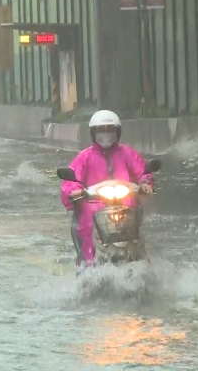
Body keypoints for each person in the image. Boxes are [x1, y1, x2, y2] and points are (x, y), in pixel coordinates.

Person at [59, 110, 155, 267]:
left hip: (125, 205)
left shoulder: (127, 153)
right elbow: (73, 179)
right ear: (93, 133)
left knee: (136, 215)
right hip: (93, 208)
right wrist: (74, 192)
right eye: (101, 130)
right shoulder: (85, 157)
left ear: (117, 132)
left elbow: (142, 170)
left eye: (110, 129)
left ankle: (141, 260)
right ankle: (86, 265)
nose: (106, 134)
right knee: (83, 223)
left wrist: (145, 183)